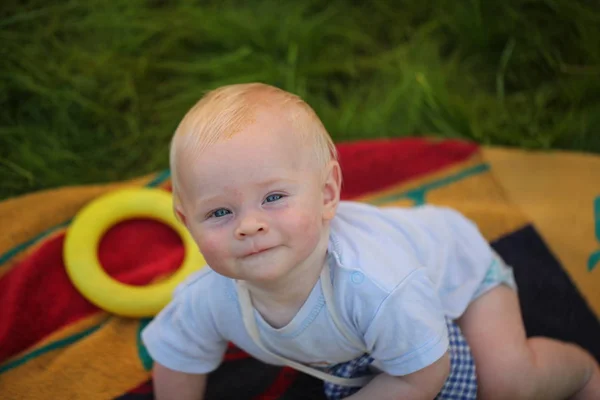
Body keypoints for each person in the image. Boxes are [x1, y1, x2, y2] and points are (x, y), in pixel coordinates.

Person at [141, 82, 600, 400]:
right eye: (220, 212)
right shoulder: (209, 297)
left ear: (326, 195)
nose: (249, 225)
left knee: (507, 385)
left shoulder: (375, 283)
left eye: (274, 197)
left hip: (458, 271)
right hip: (380, 320)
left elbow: (424, 373)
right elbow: (179, 357)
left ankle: (582, 374)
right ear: (187, 221)